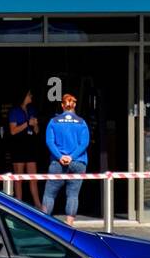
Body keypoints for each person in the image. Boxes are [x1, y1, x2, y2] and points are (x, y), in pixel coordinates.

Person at [42, 93, 89, 224]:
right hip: (78, 162)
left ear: (62, 105)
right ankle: (69, 226)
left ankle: (44, 225)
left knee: (49, 194)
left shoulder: (53, 121)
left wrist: (60, 156)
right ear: (74, 106)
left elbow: (49, 142)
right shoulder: (82, 122)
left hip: (57, 163)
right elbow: (84, 143)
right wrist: (72, 157)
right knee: (73, 195)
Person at [7, 90, 42, 207]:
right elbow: (13, 131)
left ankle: (38, 204)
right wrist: (27, 123)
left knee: (33, 177)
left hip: (30, 145)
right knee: (19, 177)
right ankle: (19, 204)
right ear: (23, 96)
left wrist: (35, 124)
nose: (31, 96)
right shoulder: (14, 111)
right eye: (29, 94)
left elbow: (37, 131)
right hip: (18, 146)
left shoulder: (32, 110)